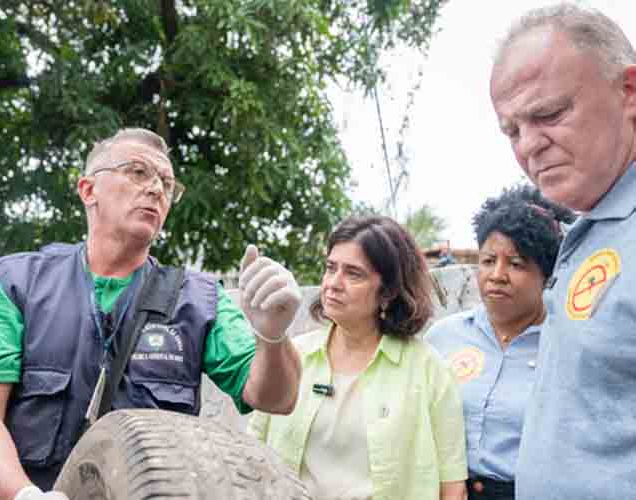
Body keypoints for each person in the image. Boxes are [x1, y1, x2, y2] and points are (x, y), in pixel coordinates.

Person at [0, 128, 303, 500]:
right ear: (88, 190)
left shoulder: (199, 299)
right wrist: (24, 495)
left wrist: (273, 337)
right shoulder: (18, 283)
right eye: (137, 172)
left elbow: (276, 398)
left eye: (167, 183)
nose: (155, 189)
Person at [490, 4, 636, 498]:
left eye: (549, 114)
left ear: (629, 91)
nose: (529, 145)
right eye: (511, 130)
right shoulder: (591, 228)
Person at [248, 215, 467, 500]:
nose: (333, 284)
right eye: (330, 268)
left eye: (353, 274)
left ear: (387, 292)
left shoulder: (429, 369)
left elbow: (452, 487)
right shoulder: (292, 356)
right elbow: (252, 456)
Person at [425, 186, 575, 500]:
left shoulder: (566, 345)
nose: (497, 275)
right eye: (488, 260)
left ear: (546, 275)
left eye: (517, 264)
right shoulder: (442, 338)